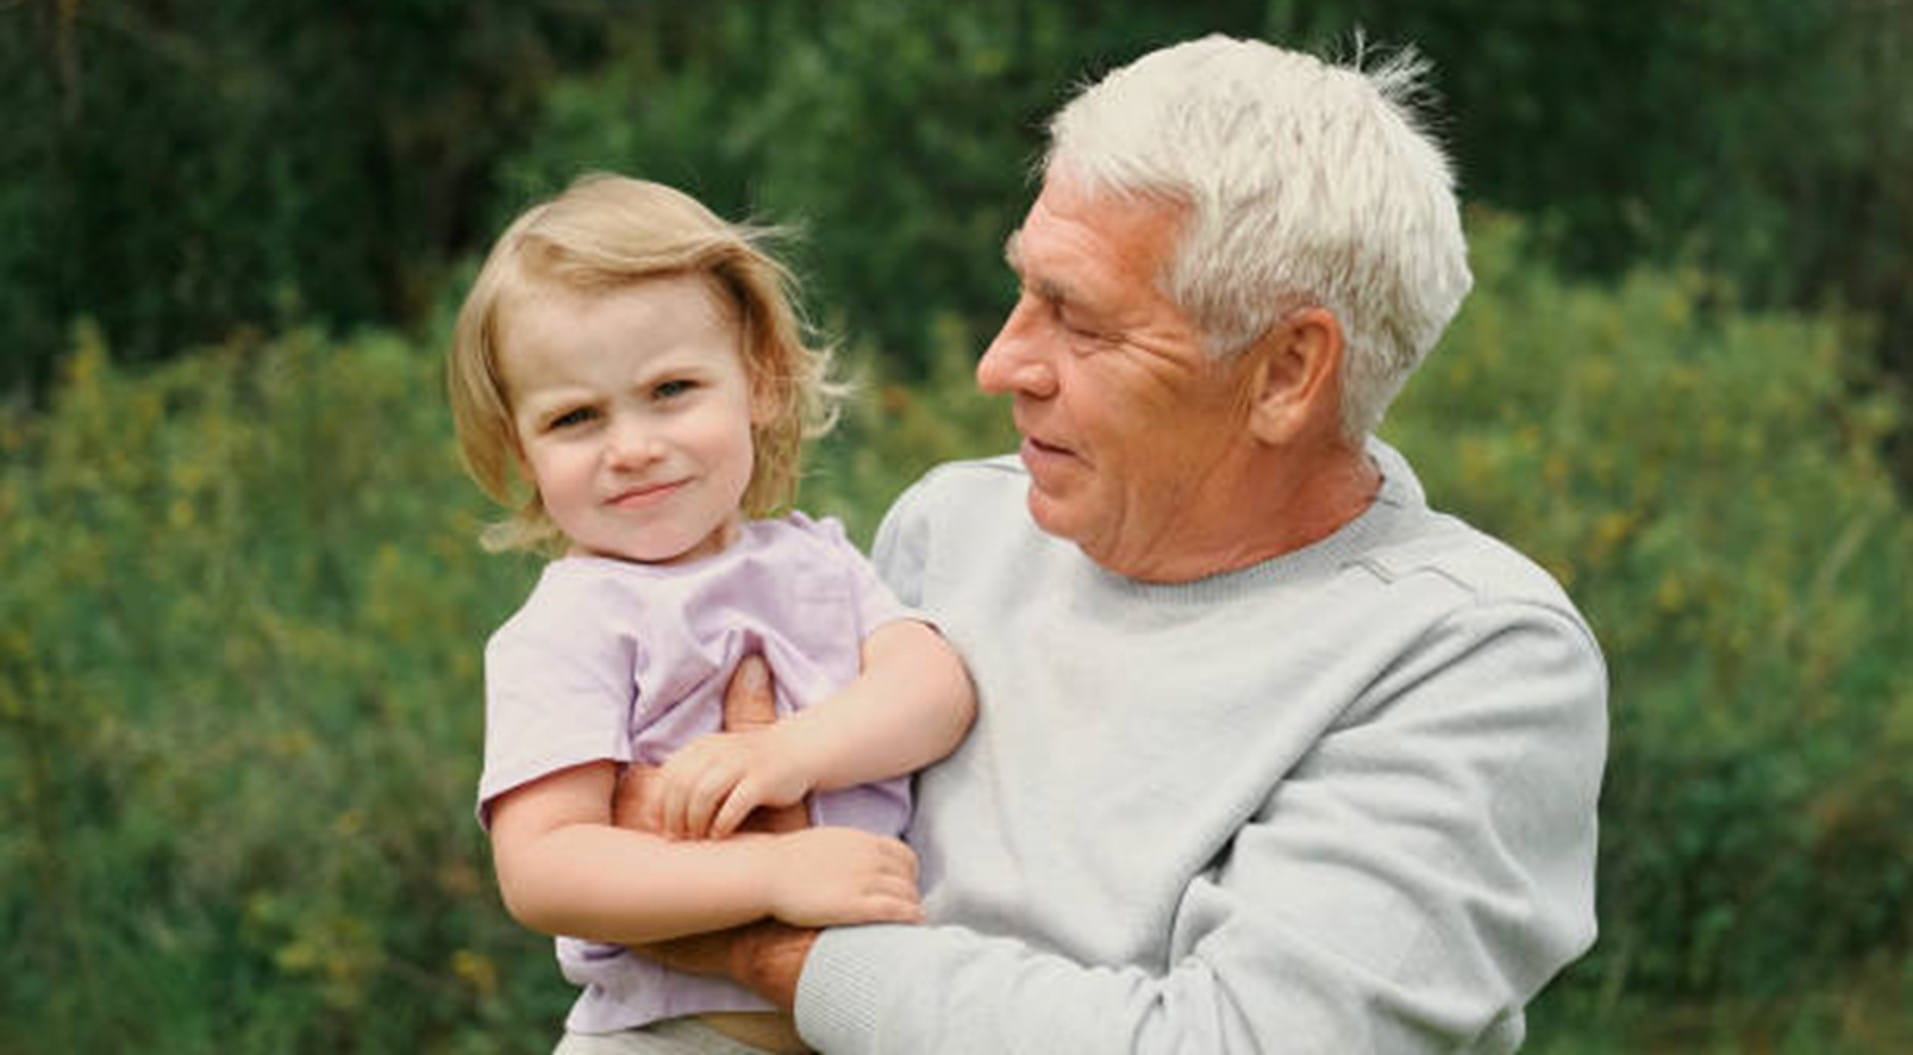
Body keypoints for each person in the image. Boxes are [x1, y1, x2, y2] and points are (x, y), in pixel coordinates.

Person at [618, 33, 1608, 1053]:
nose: (1000, 365)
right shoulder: (953, 527)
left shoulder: (1474, 656)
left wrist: (785, 956)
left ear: (1286, 371)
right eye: (1023, 291)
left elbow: (1230, 1042)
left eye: (1077, 320)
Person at [446, 174, 976, 1054]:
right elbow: (543, 866)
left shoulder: (819, 560)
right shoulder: (573, 623)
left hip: (868, 1023)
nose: (632, 447)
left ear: (760, 381)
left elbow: (934, 690)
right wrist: (770, 870)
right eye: (575, 417)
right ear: (522, 452)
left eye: (671, 390)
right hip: (672, 1032)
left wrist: (785, 753)